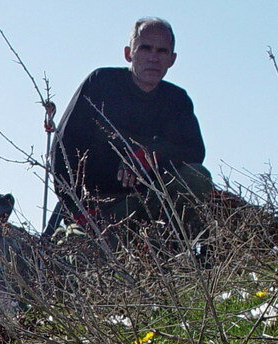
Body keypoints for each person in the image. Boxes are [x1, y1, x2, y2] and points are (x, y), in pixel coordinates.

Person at [50, 17, 213, 237]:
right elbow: (63, 149)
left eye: (162, 51)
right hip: (99, 211)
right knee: (82, 254)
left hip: (151, 206)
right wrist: (78, 209)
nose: (153, 58)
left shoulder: (177, 100)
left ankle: (178, 254)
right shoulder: (101, 84)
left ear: (172, 59)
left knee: (197, 175)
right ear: (129, 53)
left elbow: (194, 152)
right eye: (145, 48)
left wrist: (151, 153)